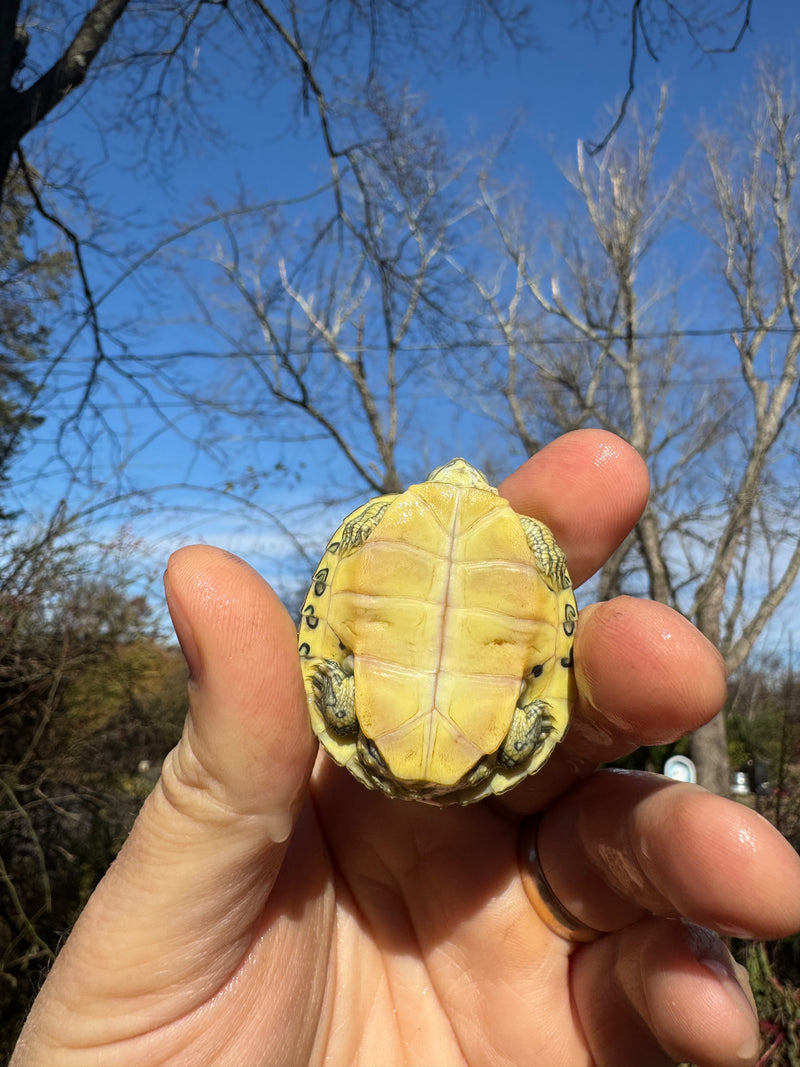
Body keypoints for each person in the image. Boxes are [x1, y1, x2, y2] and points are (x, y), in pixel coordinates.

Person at [11, 430, 800, 1067]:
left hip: (411, 579)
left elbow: (333, 635)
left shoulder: (385, 529)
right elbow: (542, 666)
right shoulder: (522, 557)